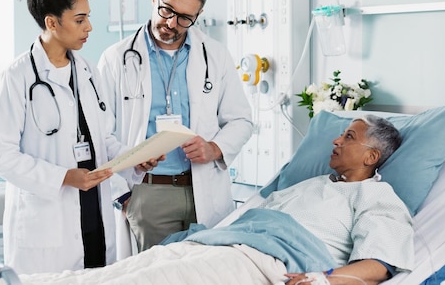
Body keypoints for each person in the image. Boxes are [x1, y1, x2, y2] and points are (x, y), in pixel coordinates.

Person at [27, 115, 414, 285]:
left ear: (371, 157)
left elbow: (379, 265)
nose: (336, 140)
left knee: (147, 281)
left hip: (260, 263)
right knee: (116, 275)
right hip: (217, 243)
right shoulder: (310, 184)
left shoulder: (377, 196)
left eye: (348, 137)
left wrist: (328, 280)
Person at [0, 0, 158, 274]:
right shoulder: (17, 78)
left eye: (88, 18)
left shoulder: (89, 73)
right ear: (52, 23)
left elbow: (101, 140)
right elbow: (1, 156)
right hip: (49, 223)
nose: (89, 27)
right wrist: (64, 177)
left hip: (92, 215)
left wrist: (134, 158)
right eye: (80, 20)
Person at [98, 0, 253, 253]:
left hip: (205, 190)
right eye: (166, 10)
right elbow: (100, 133)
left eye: (184, 18)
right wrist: (127, 193)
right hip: (148, 193)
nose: (171, 23)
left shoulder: (215, 55)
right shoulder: (116, 58)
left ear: (198, 15)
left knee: (207, 273)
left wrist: (215, 147)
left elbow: (241, 119)